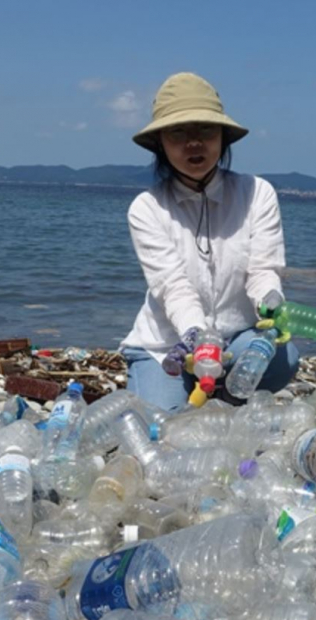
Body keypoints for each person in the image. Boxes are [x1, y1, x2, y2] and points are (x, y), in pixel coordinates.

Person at [119, 72, 300, 411]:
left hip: (236, 341)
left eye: (205, 129)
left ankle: (225, 395)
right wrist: (199, 339)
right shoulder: (147, 208)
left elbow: (263, 269)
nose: (193, 143)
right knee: (164, 424)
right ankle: (186, 385)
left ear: (222, 137)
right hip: (168, 346)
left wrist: (269, 300)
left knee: (284, 357)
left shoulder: (257, 193)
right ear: (160, 142)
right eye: (178, 133)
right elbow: (173, 287)